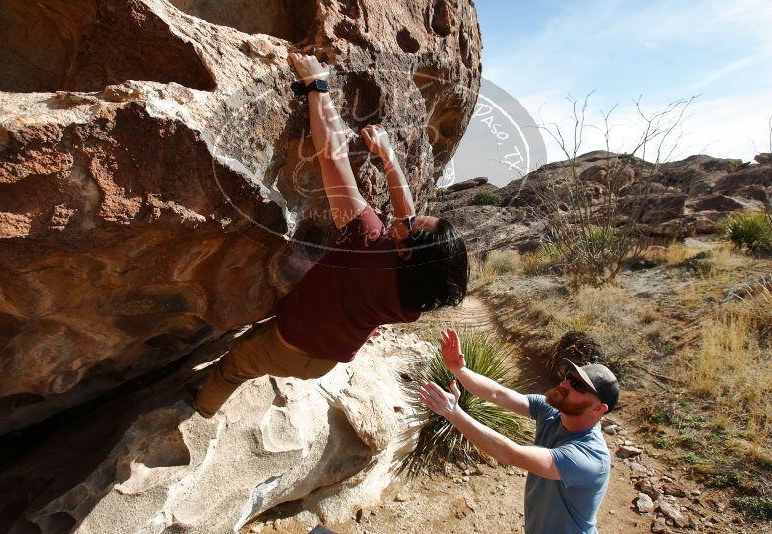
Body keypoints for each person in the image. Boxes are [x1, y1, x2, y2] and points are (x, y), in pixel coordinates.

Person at [188, 53, 469, 418]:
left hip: (286, 342)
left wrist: (316, 86)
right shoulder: (411, 302)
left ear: (407, 252)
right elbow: (407, 218)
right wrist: (389, 159)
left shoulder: (365, 237)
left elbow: (332, 158)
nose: (408, 217)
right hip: (326, 361)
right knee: (262, 363)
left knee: (233, 368)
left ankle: (202, 407)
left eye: (413, 226)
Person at [419, 328, 620, 534]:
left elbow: (510, 455)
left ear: (598, 409)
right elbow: (499, 394)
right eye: (569, 376)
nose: (564, 383)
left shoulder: (590, 457)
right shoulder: (550, 411)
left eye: (577, 385)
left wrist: (453, 413)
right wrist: (459, 369)